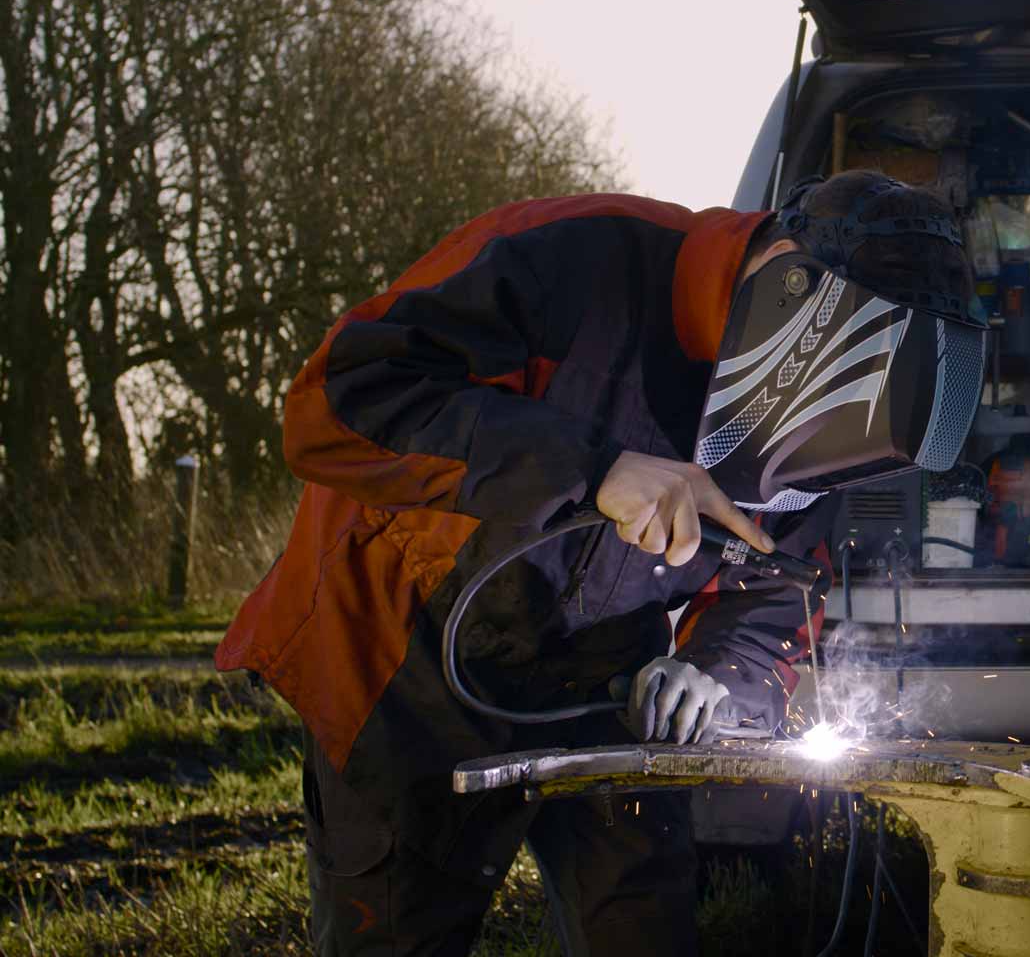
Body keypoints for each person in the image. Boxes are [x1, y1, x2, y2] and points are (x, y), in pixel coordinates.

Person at [214, 171, 978, 956]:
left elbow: (775, 593)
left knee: (641, 928)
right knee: (399, 927)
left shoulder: (830, 432)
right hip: (404, 647)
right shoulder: (573, 259)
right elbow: (332, 407)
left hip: (611, 673)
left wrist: (713, 673)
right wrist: (593, 469)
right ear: (789, 281)